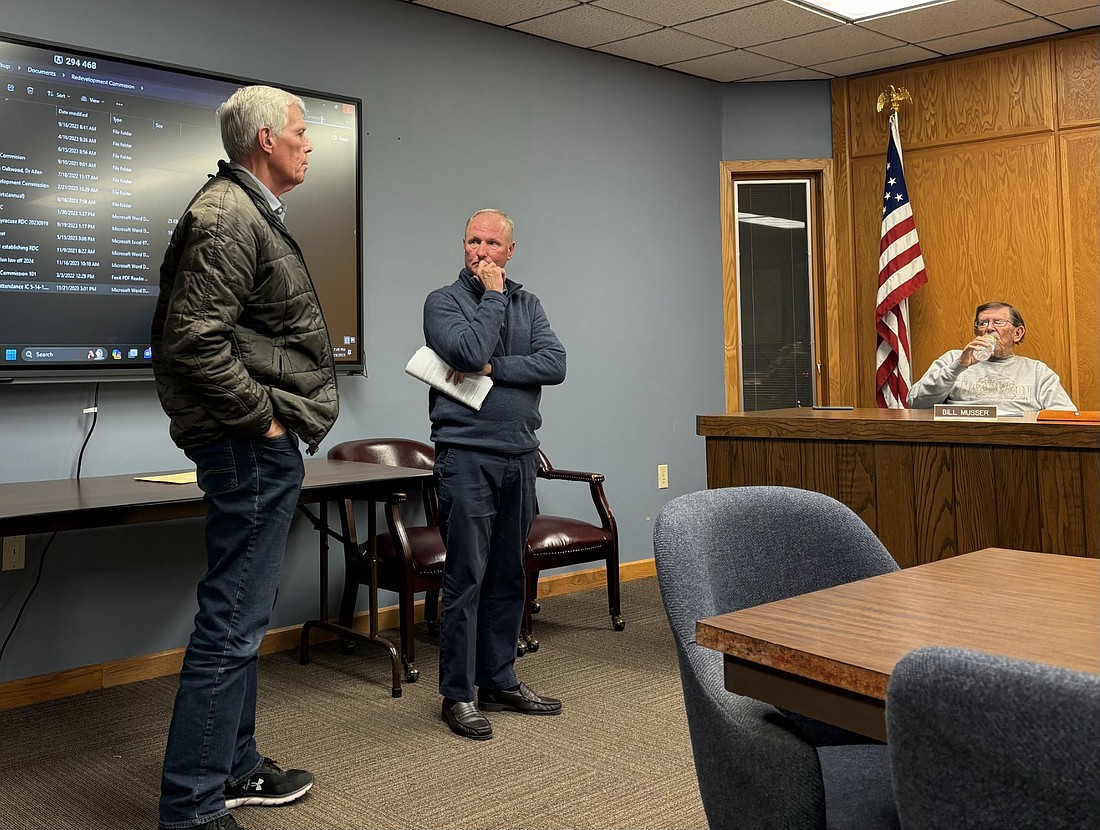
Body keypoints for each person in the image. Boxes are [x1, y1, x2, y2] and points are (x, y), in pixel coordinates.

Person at [150, 85, 339, 830]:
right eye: (300, 130)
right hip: (247, 447)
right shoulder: (228, 215)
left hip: (252, 446)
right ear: (266, 139)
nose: (309, 142)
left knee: (242, 617)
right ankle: (191, 805)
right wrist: (263, 423)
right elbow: (195, 340)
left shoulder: (244, 211)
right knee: (231, 623)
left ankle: (236, 768)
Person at [423, 208, 567, 741]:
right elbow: (468, 349)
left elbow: (554, 364)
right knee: (466, 576)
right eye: (472, 242)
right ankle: (458, 695)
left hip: (520, 455)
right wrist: (491, 299)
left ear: (511, 251)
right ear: (464, 247)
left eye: (491, 244)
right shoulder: (443, 303)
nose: (481, 252)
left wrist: (492, 371)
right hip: (465, 455)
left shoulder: (530, 303)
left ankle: (499, 680)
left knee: (509, 573)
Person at [907, 301, 1075, 413]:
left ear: (1017, 333)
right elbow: (916, 403)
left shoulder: (1037, 371)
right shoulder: (953, 359)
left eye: (998, 322)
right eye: (983, 323)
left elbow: (1064, 416)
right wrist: (958, 366)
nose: (989, 328)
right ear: (976, 331)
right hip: (960, 444)